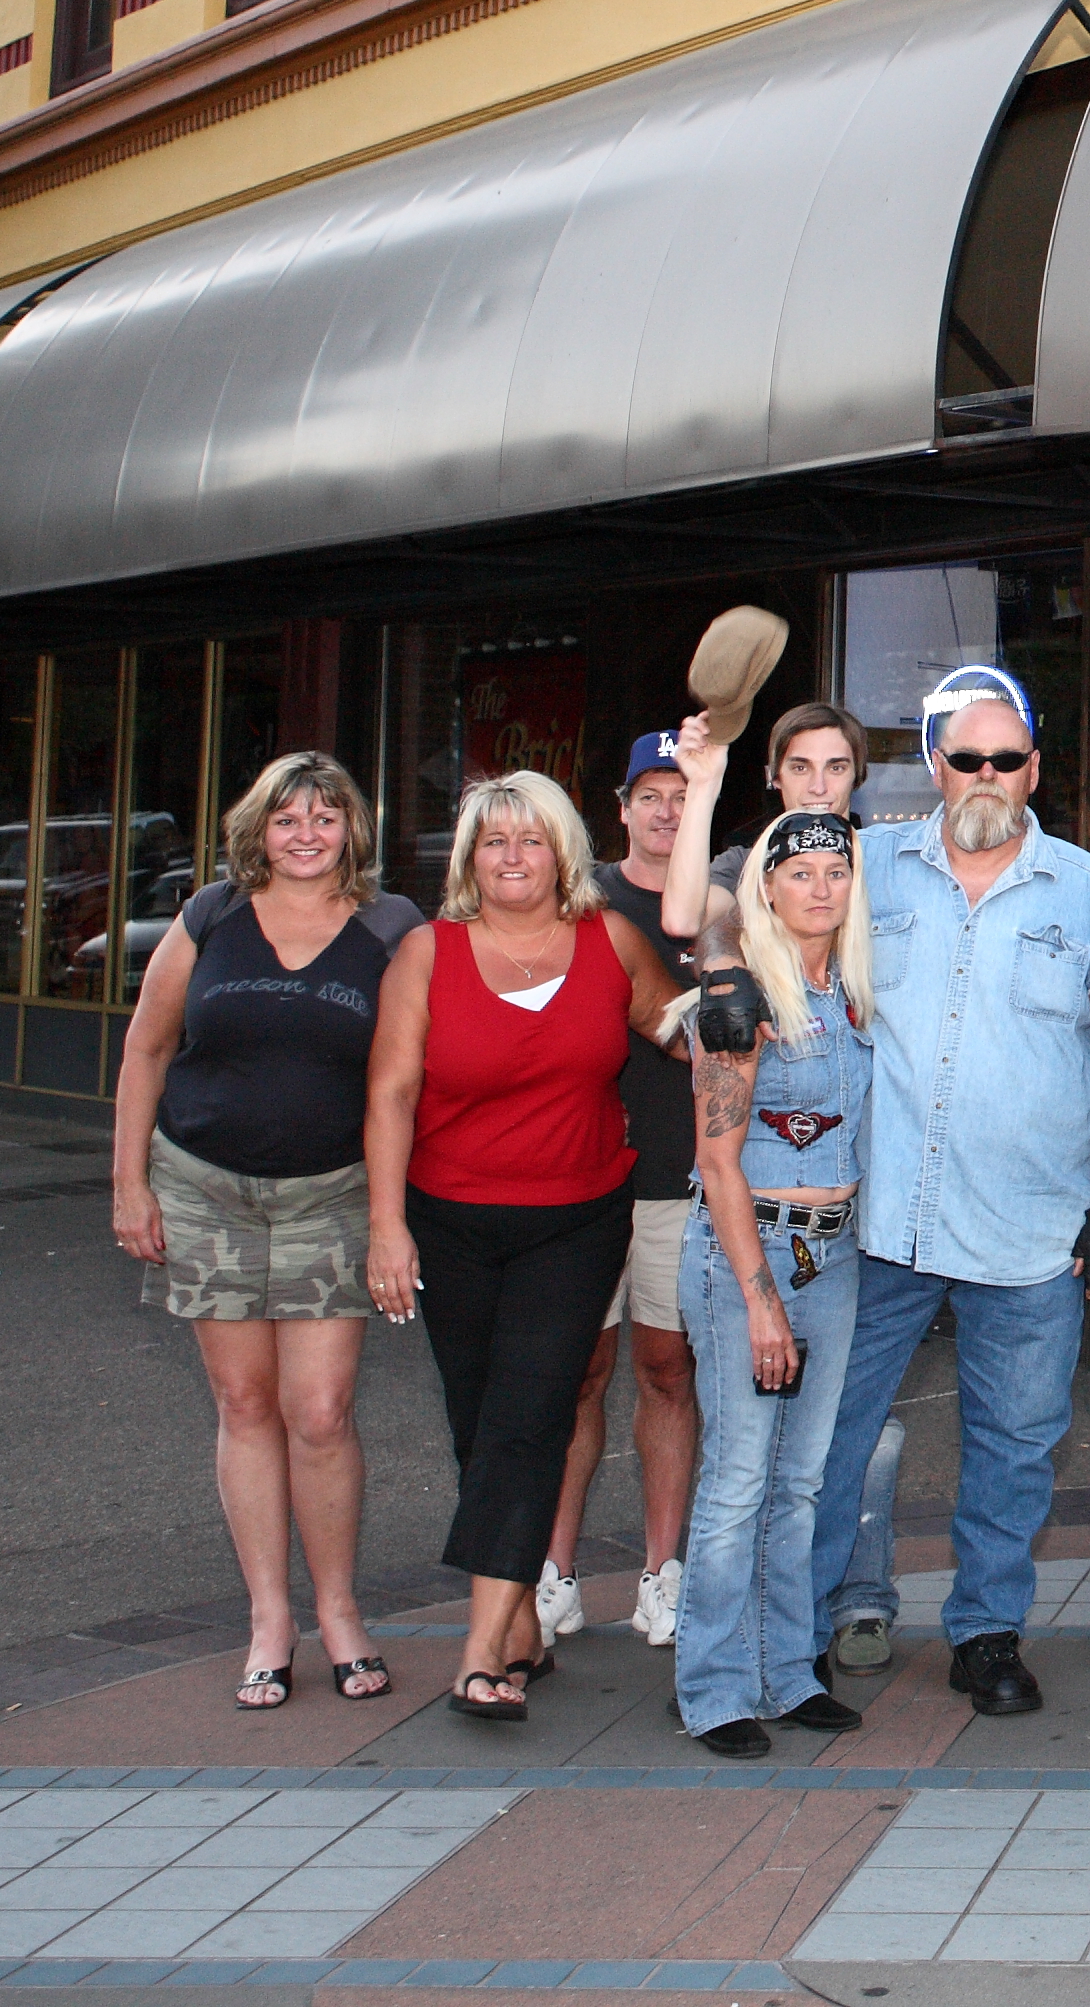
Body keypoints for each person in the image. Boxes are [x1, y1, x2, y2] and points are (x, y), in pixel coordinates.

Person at [713, 682, 1090, 1715]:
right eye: (964, 758)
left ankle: (987, 1632)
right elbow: (760, 907)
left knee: (1016, 1444)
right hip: (882, 1222)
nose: (983, 777)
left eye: (1004, 759)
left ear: (1034, 768)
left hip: (1031, 1227)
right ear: (934, 767)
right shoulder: (870, 869)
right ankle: (797, 1627)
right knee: (829, 1438)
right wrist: (723, 969)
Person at [361, 771, 687, 1720]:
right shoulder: (428, 953)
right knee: (478, 1421)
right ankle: (524, 1628)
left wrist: (758, 1003)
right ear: (470, 857)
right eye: (493, 840)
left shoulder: (610, 941)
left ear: (562, 854)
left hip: (578, 1219)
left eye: (531, 839)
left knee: (530, 1410)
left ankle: (480, 1652)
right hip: (450, 1218)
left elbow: (680, 1026)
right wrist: (386, 1226)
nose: (512, 856)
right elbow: (388, 1094)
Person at [107, 752, 419, 1712]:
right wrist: (128, 1185)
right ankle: (269, 1619)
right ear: (259, 828)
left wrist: (386, 1223)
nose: (307, 834)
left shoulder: (390, 927)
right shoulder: (210, 916)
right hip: (204, 1190)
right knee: (244, 1407)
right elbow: (148, 1048)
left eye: (326, 817)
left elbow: (393, 1085)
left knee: (319, 1413)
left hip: (331, 1194)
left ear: (351, 830)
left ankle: (339, 1613)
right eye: (287, 818)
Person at [671, 811, 878, 1756]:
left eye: (837, 869)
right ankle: (714, 1686)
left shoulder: (857, 993)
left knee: (800, 1482)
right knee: (738, 1480)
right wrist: (758, 1299)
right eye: (801, 872)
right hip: (745, 1253)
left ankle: (786, 1671)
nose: (821, 886)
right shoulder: (743, 1000)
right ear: (766, 886)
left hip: (833, 1256)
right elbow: (718, 1162)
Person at [542, 731, 703, 1658]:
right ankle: (554, 1576)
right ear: (623, 804)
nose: (667, 808)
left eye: (684, 792)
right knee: (575, 1378)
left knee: (666, 1372)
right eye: (652, 792)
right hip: (578, 1178)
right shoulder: (577, 901)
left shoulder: (719, 906)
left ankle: (661, 1573)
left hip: (677, 1179)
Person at [657, 701, 871, 950]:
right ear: (775, 776)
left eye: (836, 768)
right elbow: (682, 921)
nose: (818, 787)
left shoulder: (887, 858)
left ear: (858, 775)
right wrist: (702, 785)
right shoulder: (746, 863)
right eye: (800, 768)